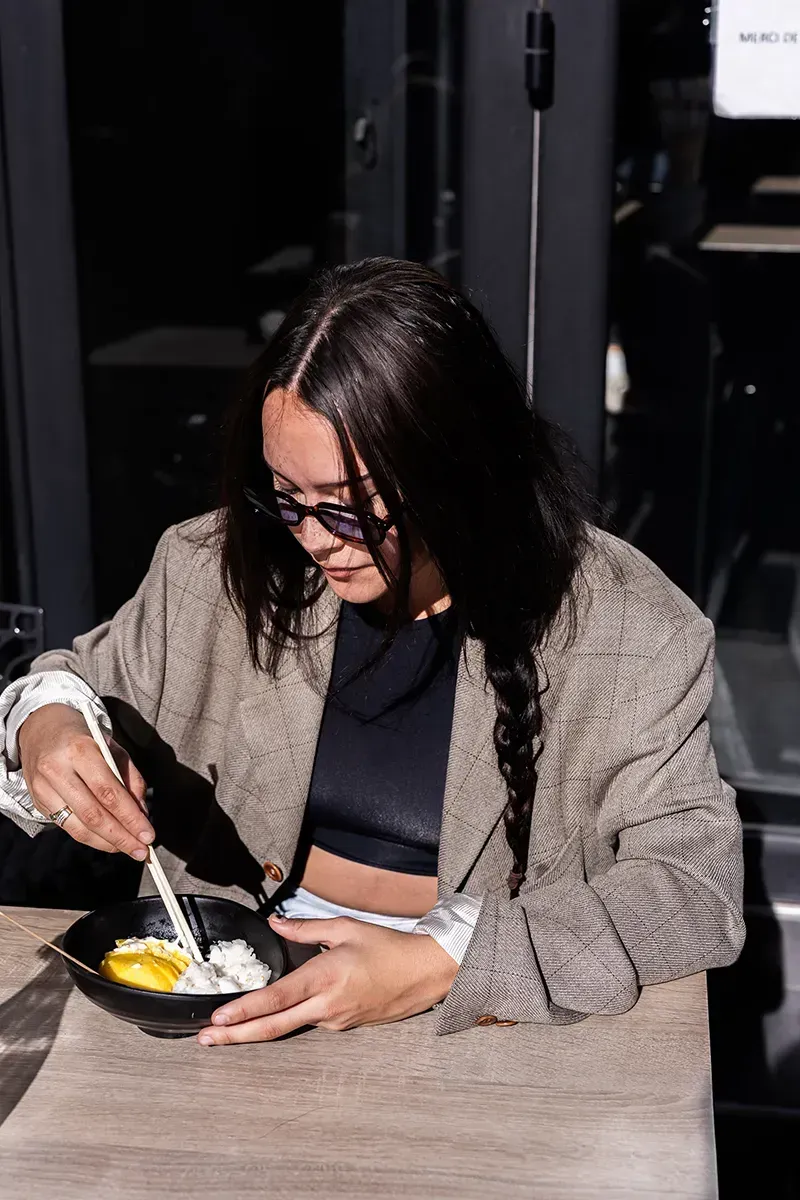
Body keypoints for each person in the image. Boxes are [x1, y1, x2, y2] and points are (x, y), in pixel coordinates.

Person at [0, 258, 744, 1045]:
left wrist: (442, 960)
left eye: (350, 510)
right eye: (286, 496)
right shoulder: (217, 569)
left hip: (480, 1029)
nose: (314, 540)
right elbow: (72, 686)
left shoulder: (625, 627)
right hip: (226, 1004)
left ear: (457, 473)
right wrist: (45, 724)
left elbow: (693, 888)